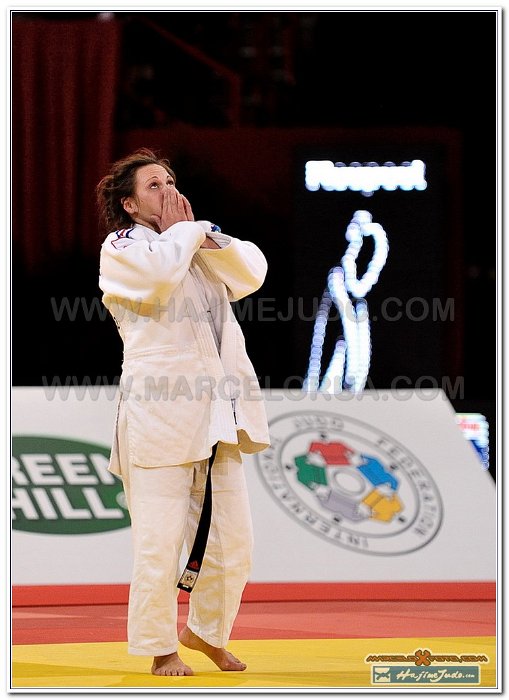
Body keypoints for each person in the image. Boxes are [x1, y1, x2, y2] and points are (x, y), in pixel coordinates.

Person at [96, 148, 270, 676]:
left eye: (170, 180)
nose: (167, 191)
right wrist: (185, 234)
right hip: (159, 416)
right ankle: (160, 646)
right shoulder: (123, 248)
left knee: (234, 542)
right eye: (153, 185)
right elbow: (157, 280)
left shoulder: (190, 243)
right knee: (159, 543)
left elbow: (252, 270)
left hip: (220, 414)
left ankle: (205, 632)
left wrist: (198, 231)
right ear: (128, 204)